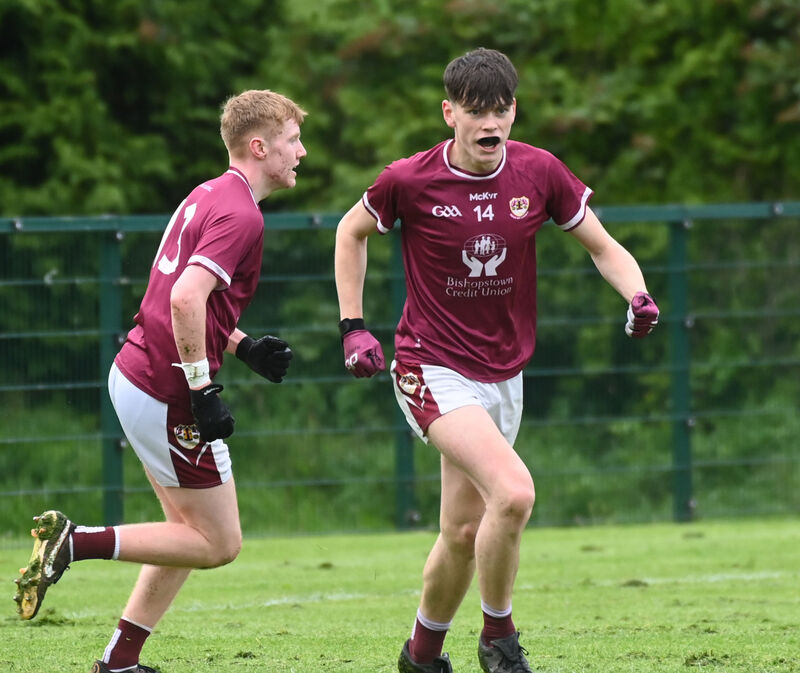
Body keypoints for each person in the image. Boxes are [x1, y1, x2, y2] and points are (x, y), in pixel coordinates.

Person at [334, 48, 659, 673]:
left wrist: (638, 294)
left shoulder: (539, 172)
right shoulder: (408, 179)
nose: (491, 124)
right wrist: (353, 327)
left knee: (462, 533)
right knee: (513, 494)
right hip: (429, 365)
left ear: (514, 111)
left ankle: (421, 655)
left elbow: (603, 244)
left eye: (502, 110)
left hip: (504, 374)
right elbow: (350, 232)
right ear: (449, 112)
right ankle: (499, 640)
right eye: (478, 111)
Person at [13, 89, 307, 673]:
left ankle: (119, 662)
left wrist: (242, 345)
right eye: (293, 140)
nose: (302, 152)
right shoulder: (241, 213)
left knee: (184, 533)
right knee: (218, 544)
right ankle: (74, 542)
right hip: (165, 390)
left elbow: (178, 301)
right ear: (259, 146)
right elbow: (184, 296)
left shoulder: (208, 194)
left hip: (137, 372)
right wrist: (202, 389)